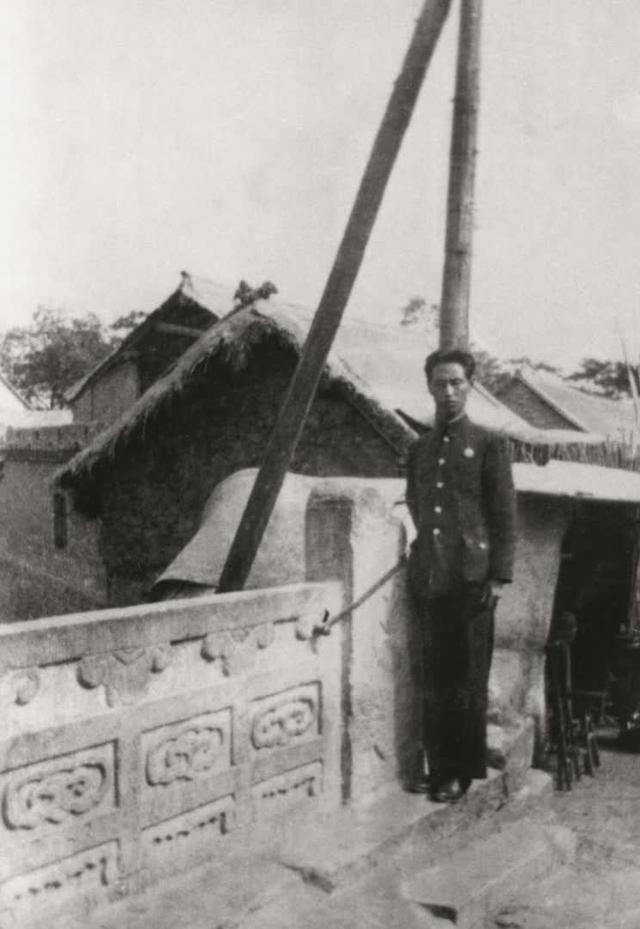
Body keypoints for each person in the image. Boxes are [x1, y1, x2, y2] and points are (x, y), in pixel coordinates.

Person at [406, 348, 517, 803]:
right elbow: (417, 505)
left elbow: (503, 513)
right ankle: (437, 766)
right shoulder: (419, 448)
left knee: (466, 678)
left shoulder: (489, 444)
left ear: (470, 386)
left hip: (473, 580)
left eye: (456, 382)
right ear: (429, 386)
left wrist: (498, 576)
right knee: (434, 678)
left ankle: (459, 772)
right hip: (432, 577)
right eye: (440, 383)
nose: (448, 391)